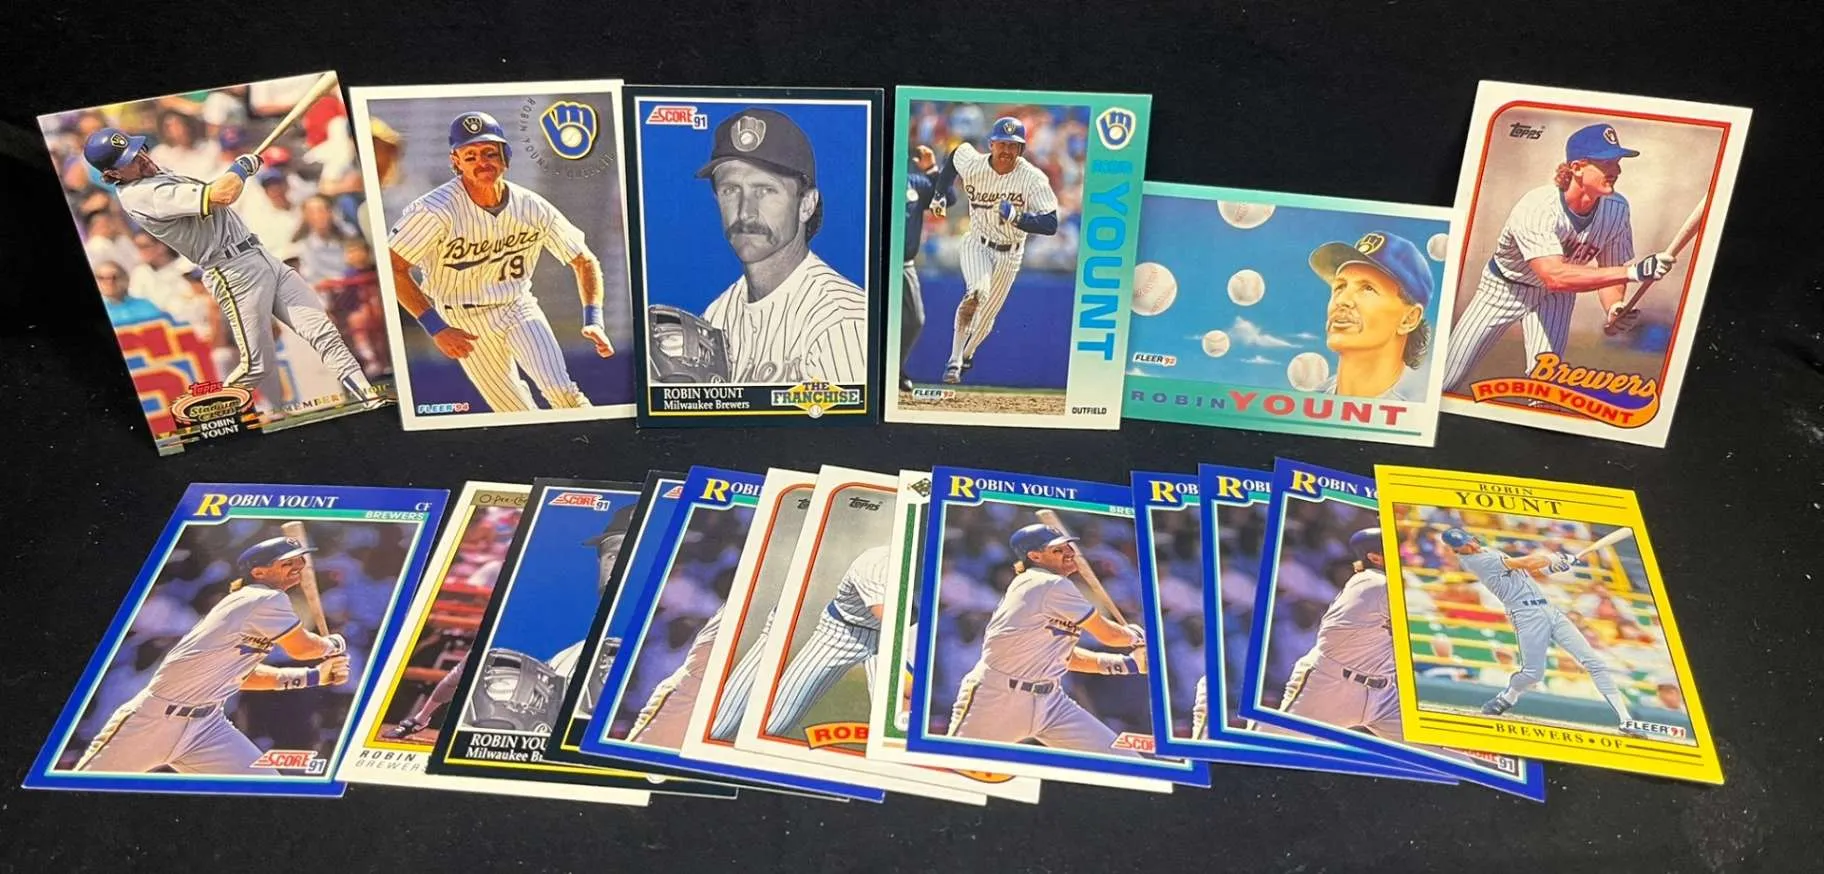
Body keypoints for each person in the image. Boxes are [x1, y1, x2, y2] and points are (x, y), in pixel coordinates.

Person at [85, 127, 376, 413]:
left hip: (259, 254)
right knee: (256, 365)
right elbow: (222, 194)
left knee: (323, 332)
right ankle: (215, 419)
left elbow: (216, 190)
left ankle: (369, 398)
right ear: (112, 174)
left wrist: (238, 170)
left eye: (138, 151)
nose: (141, 159)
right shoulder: (140, 194)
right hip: (232, 270)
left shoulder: (155, 175)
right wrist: (240, 168)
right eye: (130, 160)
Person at [388, 111, 612, 413]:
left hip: (517, 306)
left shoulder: (531, 206)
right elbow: (393, 267)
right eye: (470, 156)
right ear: (456, 161)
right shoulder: (434, 210)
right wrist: (436, 327)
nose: (482, 162)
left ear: (506, 156)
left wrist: (594, 318)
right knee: (514, 412)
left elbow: (584, 260)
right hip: (462, 318)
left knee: (563, 392)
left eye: (490, 153)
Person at [72, 536, 351, 773]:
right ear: (259, 572)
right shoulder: (263, 597)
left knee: (265, 787)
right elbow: (302, 648)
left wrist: (314, 676)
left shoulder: (251, 605)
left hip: (207, 728)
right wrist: (335, 644)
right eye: (286, 562)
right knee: (81, 791)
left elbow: (242, 677)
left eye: (299, 560)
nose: (297, 566)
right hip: (154, 722)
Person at [1442, 123, 1675, 392]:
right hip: (1506, 287)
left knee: (1545, 386)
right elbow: (1553, 275)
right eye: (1606, 163)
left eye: (1617, 162)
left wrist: (1614, 306)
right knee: (1448, 378)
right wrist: (1634, 272)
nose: (1617, 170)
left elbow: (1611, 269)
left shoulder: (1617, 209)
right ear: (1576, 168)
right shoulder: (1539, 206)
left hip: (1557, 297)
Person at [678, 108, 868, 384]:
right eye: (730, 190)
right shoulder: (716, 316)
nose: (745, 212)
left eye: (765, 190)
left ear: (806, 205)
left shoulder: (842, 323)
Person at [944, 523, 1146, 754]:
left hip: (1051, 702)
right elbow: (1110, 636)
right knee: (955, 766)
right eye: (1057, 550)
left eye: (1068, 546)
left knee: (1124, 759)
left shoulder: (1044, 587)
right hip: (999, 698)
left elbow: (1063, 656)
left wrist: (1127, 664)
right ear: (1035, 556)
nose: (1069, 553)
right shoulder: (1046, 583)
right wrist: (1137, 636)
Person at [1439, 527, 1647, 737]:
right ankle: (1508, 696)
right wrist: (1554, 557)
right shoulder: (1477, 561)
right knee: (1533, 674)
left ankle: (1626, 720)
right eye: (1463, 545)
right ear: (1456, 550)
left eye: (1469, 541)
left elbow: (1527, 573)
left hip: (1549, 608)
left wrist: (1554, 567)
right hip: (1526, 614)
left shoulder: (1488, 551)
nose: (1470, 545)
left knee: (1595, 663)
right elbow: (1527, 562)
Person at [926, 115, 1060, 385]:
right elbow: (955, 155)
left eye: (1013, 145)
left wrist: (1017, 217)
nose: (1007, 150)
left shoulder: (1032, 178)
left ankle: (968, 353)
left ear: (1021, 149)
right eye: (1002, 144)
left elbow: (1051, 223)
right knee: (977, 292)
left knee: (986, 318)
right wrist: (939, 193)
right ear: (991, 144)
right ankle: (954, 360)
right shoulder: (974, 164)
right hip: (977, 243)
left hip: (1010, 253)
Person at [1306, 232, 1434, 399]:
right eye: (1340, 287)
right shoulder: (1310, 400)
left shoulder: (1421, 402)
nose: (1342, 300)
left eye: (1368, 288)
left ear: (1409, 319)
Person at [95, 260, 164, 326]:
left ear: (126, 279)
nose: (109, 282)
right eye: (101, 278)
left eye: (114, 277)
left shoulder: (145, 305)